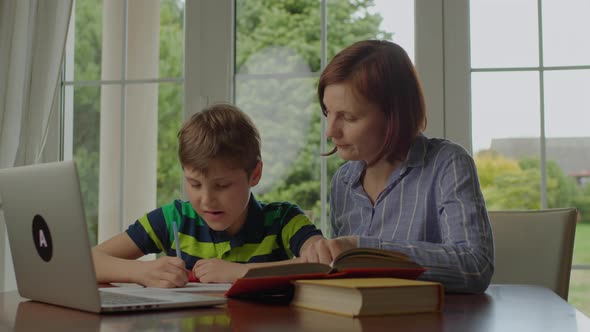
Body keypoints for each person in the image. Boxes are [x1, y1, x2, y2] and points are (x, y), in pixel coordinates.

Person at [300, 40, 494, 293]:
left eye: (348, 117)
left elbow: (475, 265)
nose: (330, 131)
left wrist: (363, 250)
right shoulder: (342, 181)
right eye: (328, 113)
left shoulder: (448, 163)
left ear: (394, 115)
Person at [92, 103, 323, 287]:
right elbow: (88, 261)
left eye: (221, 186)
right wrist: (142, 272)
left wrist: (241, 273)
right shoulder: (173, 218)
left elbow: (323, 264)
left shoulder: (284, 219)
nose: (206, 200)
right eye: (194, 184)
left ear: (255, 174)